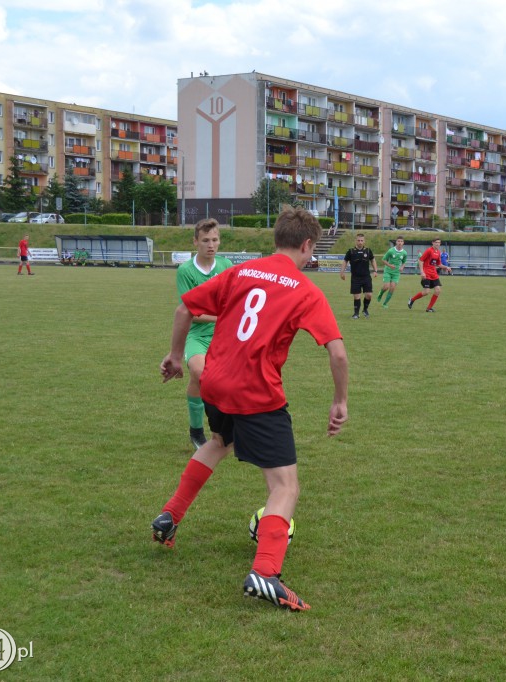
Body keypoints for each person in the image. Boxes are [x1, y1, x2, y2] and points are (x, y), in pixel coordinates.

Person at [152, 207, 349, 612]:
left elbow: (184, 309)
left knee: (220, 440)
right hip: (256, 393)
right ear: (308, 245)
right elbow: (338, 353)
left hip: (215, 381)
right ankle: (266, 571)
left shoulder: (241, 271)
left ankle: (169, 516)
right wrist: (340, 400)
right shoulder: (305, 289)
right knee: (284, 487)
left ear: (276, 238)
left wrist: (175, 356)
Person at [176, 219, 233, 449]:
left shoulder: (226, 265)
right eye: (206, 240)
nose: (211, 245)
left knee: (231, 382)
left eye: (215, 239)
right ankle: (196, 431)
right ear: (195, 242)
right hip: (197, 335)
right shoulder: (186, 271)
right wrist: (222, 316)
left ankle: (226, 429)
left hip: (225, 336)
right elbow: (192, 312)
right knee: (199, 373)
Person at [407, 237, 452, 312]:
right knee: (426, 292)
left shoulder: (438, 252)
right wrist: (422, 272)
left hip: (434, 274)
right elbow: (421, 260)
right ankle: (412, 299)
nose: (437, 244)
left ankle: (429, 308)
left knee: (438, 290)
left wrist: (446, 267)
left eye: (439, 242)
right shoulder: (429, 250)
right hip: (426, 273)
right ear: (433, 243)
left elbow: (439, 264)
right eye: (436, 242)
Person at [339, 233, 377, 318]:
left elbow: (373, 260)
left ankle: (365, 309)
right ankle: (356, 313)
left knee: (369, 295)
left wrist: (375, 270)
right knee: (357, 296)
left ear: (364, 241)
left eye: (362, 240)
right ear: (356, 241)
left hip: (366, 277)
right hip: (355, 278)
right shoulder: (351, 251)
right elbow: (345, 261)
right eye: (358, 240)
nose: (360, 242)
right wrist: (342, 272)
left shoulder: (367, 250)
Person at [376, 237, 408, 308]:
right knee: (386, 286)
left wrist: (402, 267)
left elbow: (404, 262)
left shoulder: (404, 253)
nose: (400, 243)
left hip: (396, 273)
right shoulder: (391, 251)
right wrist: (390, 265)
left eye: (401, 241)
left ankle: (385, 303)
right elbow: (383, 260)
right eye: (398, 241)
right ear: (396, 242)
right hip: (388, 271)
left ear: (403, 243)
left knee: (392, 288)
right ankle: (380, 293)